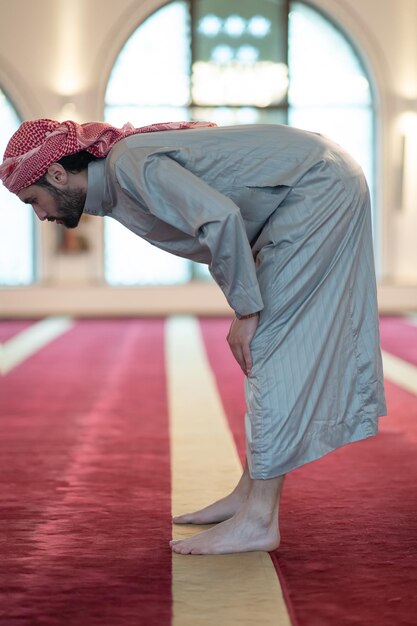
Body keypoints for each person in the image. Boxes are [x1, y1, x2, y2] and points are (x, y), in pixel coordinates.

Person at [0, 118, 386, 555]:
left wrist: (247, 309)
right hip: (312, 187)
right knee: (265, 344)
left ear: (56, 174)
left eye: (35, 201)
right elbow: (223, 216)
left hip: (318, 189)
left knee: (267, 346)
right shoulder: (121, 178)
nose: (42, 215)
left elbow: (219, 218)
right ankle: (249, 495)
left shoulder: (128, 166)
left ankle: (260, 520)